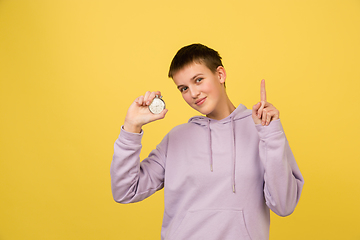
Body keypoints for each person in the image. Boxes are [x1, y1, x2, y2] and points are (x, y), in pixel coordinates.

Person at [110, 43, 304, 240]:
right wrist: (131, 127)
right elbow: (125, 191)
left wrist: (270, 133)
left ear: (220, 74)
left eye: (199, 80)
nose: (193, 93)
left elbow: (284, 205)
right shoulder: (176, 138)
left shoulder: (262, 130)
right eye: (184, 88)